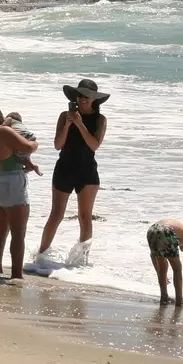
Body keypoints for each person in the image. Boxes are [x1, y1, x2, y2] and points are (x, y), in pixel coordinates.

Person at [36, 78, 109, 261]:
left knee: (85, 217)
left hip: (87, 172)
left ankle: (81, 261)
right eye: (80, 96)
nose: (82, 99)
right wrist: (69, 124)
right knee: (56, 215)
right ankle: (41, 255)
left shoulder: (100, 119)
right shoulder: (64, 116)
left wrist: (80, 124)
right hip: (65, 168)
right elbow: (57, 145)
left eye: (87, 96)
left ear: (94, 99)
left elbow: (94, 145)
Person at [0, 103, 40, 280]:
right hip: (11, 182)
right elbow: (27, 147)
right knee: (18, 233)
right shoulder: (2, 132)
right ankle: (16, 275)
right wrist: (35, 143)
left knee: (0, 231)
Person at [147, 219, 183, 305]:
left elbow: (153, 257)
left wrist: (160, 274)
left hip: (152, 230)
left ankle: (164, 297)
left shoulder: (181, 230)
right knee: (177, 268)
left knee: (162, 265)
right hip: (167, 230)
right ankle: (179, 301)